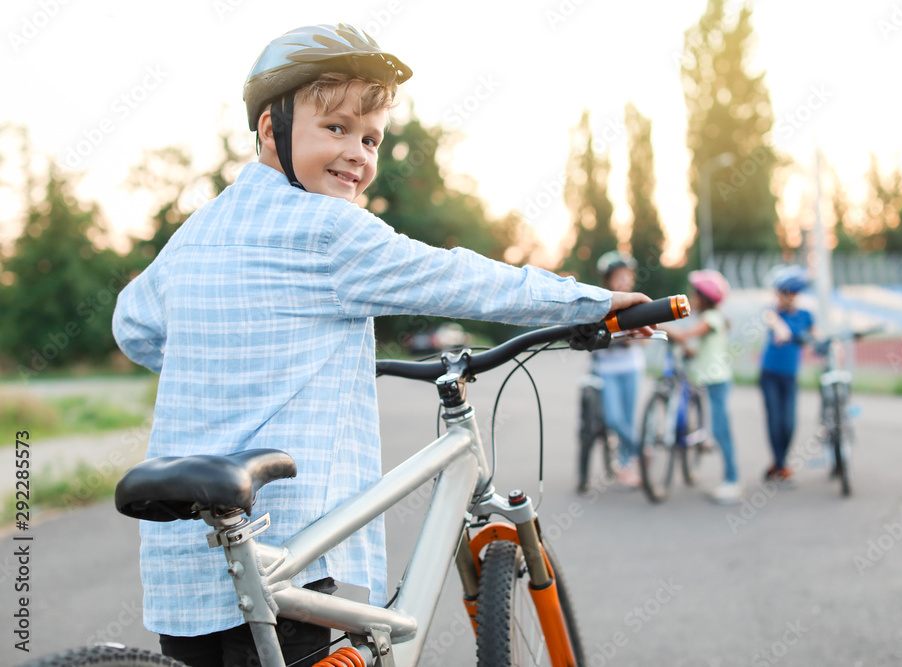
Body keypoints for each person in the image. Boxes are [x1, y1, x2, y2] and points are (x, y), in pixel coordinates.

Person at [112, 24, 651, 666]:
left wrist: (219, 355)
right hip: (285, 539)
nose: (359, 154)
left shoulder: (195, 232)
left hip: (182, 569)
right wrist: (588, 303)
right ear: (268, 130)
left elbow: (133, 326)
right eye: (335, 129)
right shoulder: (329, 229)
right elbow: (456, 278)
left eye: (371, 139)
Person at [660, 270, 740, 504]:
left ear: (705, 298)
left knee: (722, 431)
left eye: (694, 295)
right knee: (717, 427)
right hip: (711, 381)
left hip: (718, 382)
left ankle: (732, 481)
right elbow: (699, 348)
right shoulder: (711, 318)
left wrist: (657, 325)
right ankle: (716, 461)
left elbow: (686, 334)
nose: (691, 299)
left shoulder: (712, 318)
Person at [588, 251, 647, 489]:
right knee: (614, 419)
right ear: (608, 281)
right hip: (607, 370)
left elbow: (644, 337)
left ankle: (626, 465)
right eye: (618, 277)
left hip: (631, 367)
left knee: (629, 419)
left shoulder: (636, 304)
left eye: (627, 277)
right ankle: (641, 450)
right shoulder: (600, 305)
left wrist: (633, 336)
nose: (624, 282)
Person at [758, 265, 815, 485]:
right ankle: (781, 466)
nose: (790, 296)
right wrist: (781, 329)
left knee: (789, 422)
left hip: (790, 376)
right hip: (769, 374)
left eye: (794, 292)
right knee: (774, 420)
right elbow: (773, 322)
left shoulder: (806, 315)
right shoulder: (772, 312)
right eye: (786, 292)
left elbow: (816, 336)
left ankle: (779, 464)